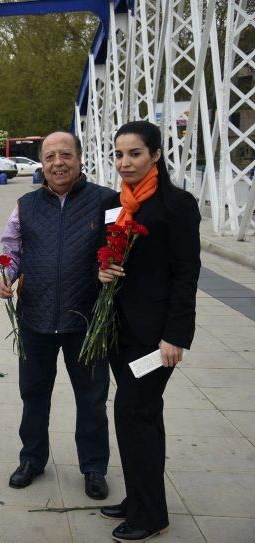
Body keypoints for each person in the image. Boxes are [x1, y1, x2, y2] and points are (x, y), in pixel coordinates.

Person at [0, 131, 114, 499]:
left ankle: (93, 468)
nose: (57, 163)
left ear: (80, 159)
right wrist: (5, 274)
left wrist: (109, 268)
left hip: (87, 320)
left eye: (65, 155)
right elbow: (11, 246)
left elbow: (121, 247)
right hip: (35, 316)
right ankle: (32, 458)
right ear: (42, 164)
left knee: (92, 398)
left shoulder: (106, 201)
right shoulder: (26, 204)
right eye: (49, 157)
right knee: (33, 394)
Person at [97, 121, 200, 542]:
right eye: (119, 154)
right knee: (142, 415)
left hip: (155, 337)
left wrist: (175, 336)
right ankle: (138, 497)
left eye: (135, 153)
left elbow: (185, 273)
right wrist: (101, 270)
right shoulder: (115, 205)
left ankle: (151, 514)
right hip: (119, 330)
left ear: (155, 155)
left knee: (133, 412)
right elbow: (101, 258)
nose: (125, 162)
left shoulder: (176, 205)